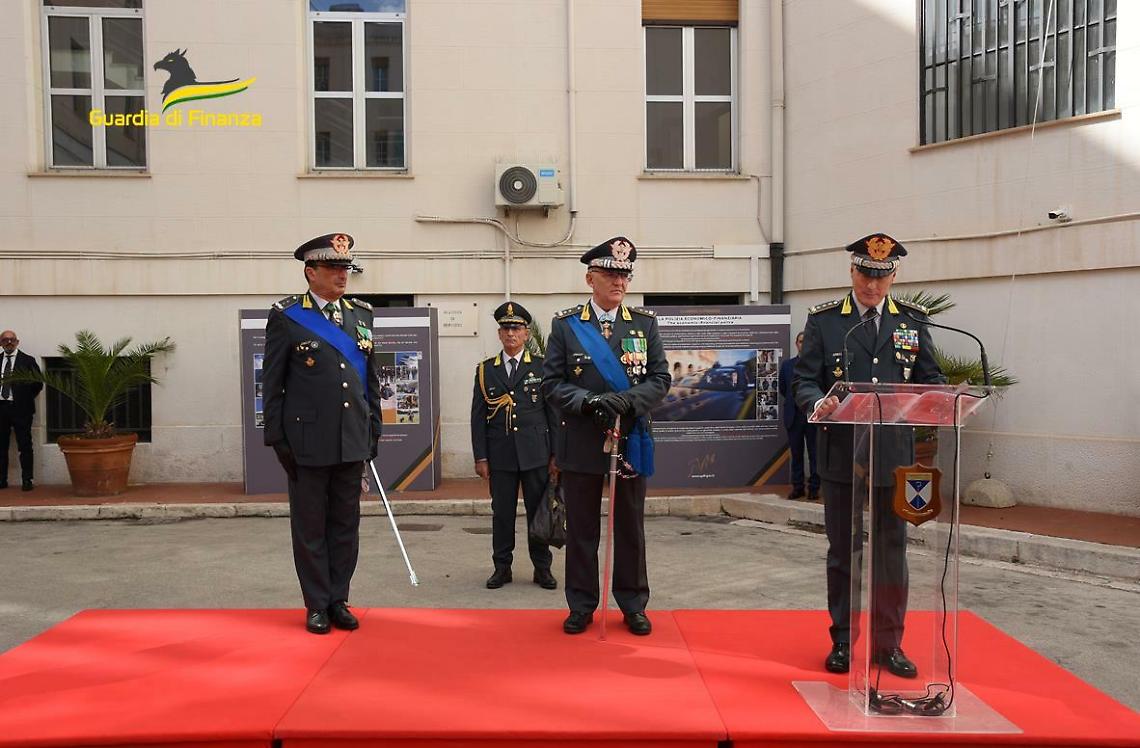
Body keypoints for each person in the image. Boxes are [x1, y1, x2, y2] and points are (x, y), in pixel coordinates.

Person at [793, 232, 944, 678]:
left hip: (895, 457)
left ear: (894, 276)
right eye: (865, 274)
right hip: (842, 454)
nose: (872, 285)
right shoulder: (825, 321)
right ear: (852, 271)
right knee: (844, 551)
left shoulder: (912, 321)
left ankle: (888, 644)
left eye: (881, 276)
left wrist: (937, 400)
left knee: (892, 551)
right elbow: (804, 379)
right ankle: (843, 640)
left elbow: (931, 379)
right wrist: (816, 402)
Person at [543, 237, 670, 636]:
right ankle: (581, 604)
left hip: (629, 438)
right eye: (611, 274)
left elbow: (660, 379)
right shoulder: (566, 326)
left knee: (630, 528)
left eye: (625, 275)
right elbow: (551, 384)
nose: (619, 282)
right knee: (582, 528)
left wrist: (625, 402)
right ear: (590, 279)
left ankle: (633, 604)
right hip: (582, 439)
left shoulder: (644, 324)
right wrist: (589, 401)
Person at [262, 233, 382, 635]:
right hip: (307, 442)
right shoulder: (287, 316)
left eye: (345, 268)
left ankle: (338, 599)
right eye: (333, 268)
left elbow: (370, 379)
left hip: (351, 438)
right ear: (310, 272)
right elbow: (272, 384)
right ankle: (316, 604)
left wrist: (373, 429)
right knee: (311, 527)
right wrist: (277, 439)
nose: (342, 275)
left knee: (345, 526)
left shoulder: (361, 315)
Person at [470, 301, 558, 590]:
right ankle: (502, 568)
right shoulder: (485, 371)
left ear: (526, 333)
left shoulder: (542, 367)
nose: (511, 334)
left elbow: (553, 414)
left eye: (516, 329)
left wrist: (556, 454)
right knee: (502, 515)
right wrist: (481, 457)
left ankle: (542, 568)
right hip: (501, 456)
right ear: (499, 334)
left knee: (538, 513)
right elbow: (478, 418)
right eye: (506, 328)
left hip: (536, 454)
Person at [779, 331, 819, 501]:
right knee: (796, 454)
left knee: (814, 454)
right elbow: (783, 388)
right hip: (793, 416)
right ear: (797, 344)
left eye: (806, 341)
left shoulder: (816, 364)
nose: (803, 344)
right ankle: (798, 487)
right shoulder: (787, 365)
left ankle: (814, 488)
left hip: (811, 415)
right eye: (801, 341)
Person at [0, 331, 42, 491]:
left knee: (24, 445)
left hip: (21, 409)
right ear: (1, 343)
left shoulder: (28, 361)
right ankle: (2, 480)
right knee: (1, 446)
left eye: (12, 340)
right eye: (5, 340)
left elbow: (38, 383)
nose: (9, 342)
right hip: (1, 408)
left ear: (17, 342)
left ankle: (27, 480)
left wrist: (24, 397)